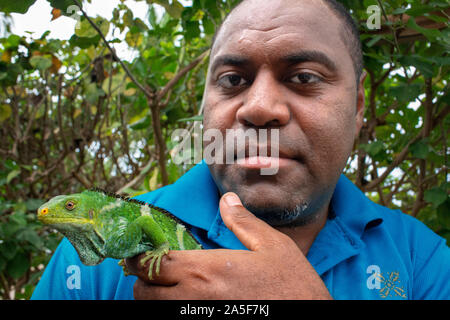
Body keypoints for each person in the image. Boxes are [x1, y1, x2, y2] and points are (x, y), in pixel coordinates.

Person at [31, 0, 450, 300]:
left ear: (358, 107)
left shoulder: (423, 260)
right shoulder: (96, 254)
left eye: (304, 77)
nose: (260, 108)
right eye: (232, 80)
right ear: (204, 104)